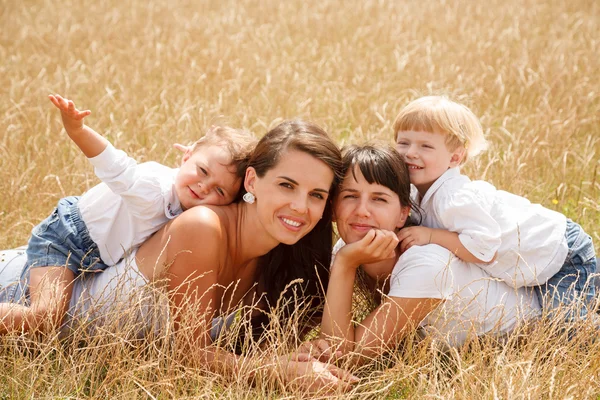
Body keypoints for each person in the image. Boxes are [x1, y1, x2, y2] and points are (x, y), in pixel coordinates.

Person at [0, 120, 358, 391]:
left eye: (316, 194)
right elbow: (186, 354)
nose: (300, 206)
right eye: (286, 185)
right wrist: (276, 372)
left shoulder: (282, 263)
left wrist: (344, 265)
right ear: (251, 182)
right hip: (17, 290)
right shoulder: (203, 227)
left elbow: (317, 344)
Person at [0, 94, 257, 334]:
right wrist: (77, 130)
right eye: (202, 171)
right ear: (186, 157)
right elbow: (114, 164)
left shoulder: (194, 206)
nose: (204, 187)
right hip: (66, 239)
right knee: (45, 317)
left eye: (219, 191)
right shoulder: (151, 187)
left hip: (99, 255)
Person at [321, 144, 542, 362]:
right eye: (350, 196)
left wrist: (345, 265)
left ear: (402, 214)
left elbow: (346, 357)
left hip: (529, 338)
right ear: (333, 207)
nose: (362, 211)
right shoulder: (348, 248)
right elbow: (334, 346)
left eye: (379, 199)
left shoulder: (426, 266)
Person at [393, 96, 597, 321]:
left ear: (455, 157)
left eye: (426, 146)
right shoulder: (416, 193)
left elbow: (484, 248)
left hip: (562, 255)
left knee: (567, 332)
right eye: (403, 143)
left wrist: (431, 235)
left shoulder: (453, 197)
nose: (410, 152)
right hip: (536, 261)